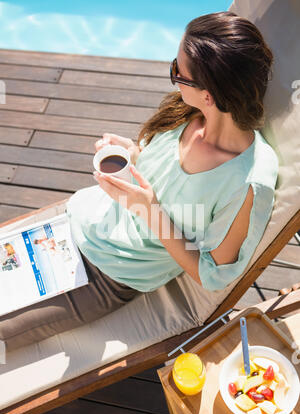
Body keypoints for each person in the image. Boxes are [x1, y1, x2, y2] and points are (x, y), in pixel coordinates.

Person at [0, 12, 279, 351]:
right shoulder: (188, 112)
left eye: (179, 71)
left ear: (210, 94)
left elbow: (212, 274)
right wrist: (131, 153)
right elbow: (165, 175)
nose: (174, 76)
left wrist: (150, 212)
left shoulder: (247, 182)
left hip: (106, 276)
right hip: (79, 223)